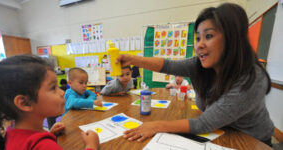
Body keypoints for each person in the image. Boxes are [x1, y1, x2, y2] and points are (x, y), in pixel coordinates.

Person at [117, 3, 274, 147]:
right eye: (198, 37)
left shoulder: (251, 78)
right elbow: (168, 65)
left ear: (231, 39)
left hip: (251, 142)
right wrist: (132, 59)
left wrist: (156, 126)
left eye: (209, 36)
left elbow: (203, 124)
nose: (199, 45)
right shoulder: (200, 65)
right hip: (219, 133)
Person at [0, 55, 99, 150]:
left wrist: (51, 134)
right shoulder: (44, 146)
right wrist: (91, 146)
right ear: (25, 103)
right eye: (53, 88)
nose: (62, 93)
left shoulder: (12, 130)